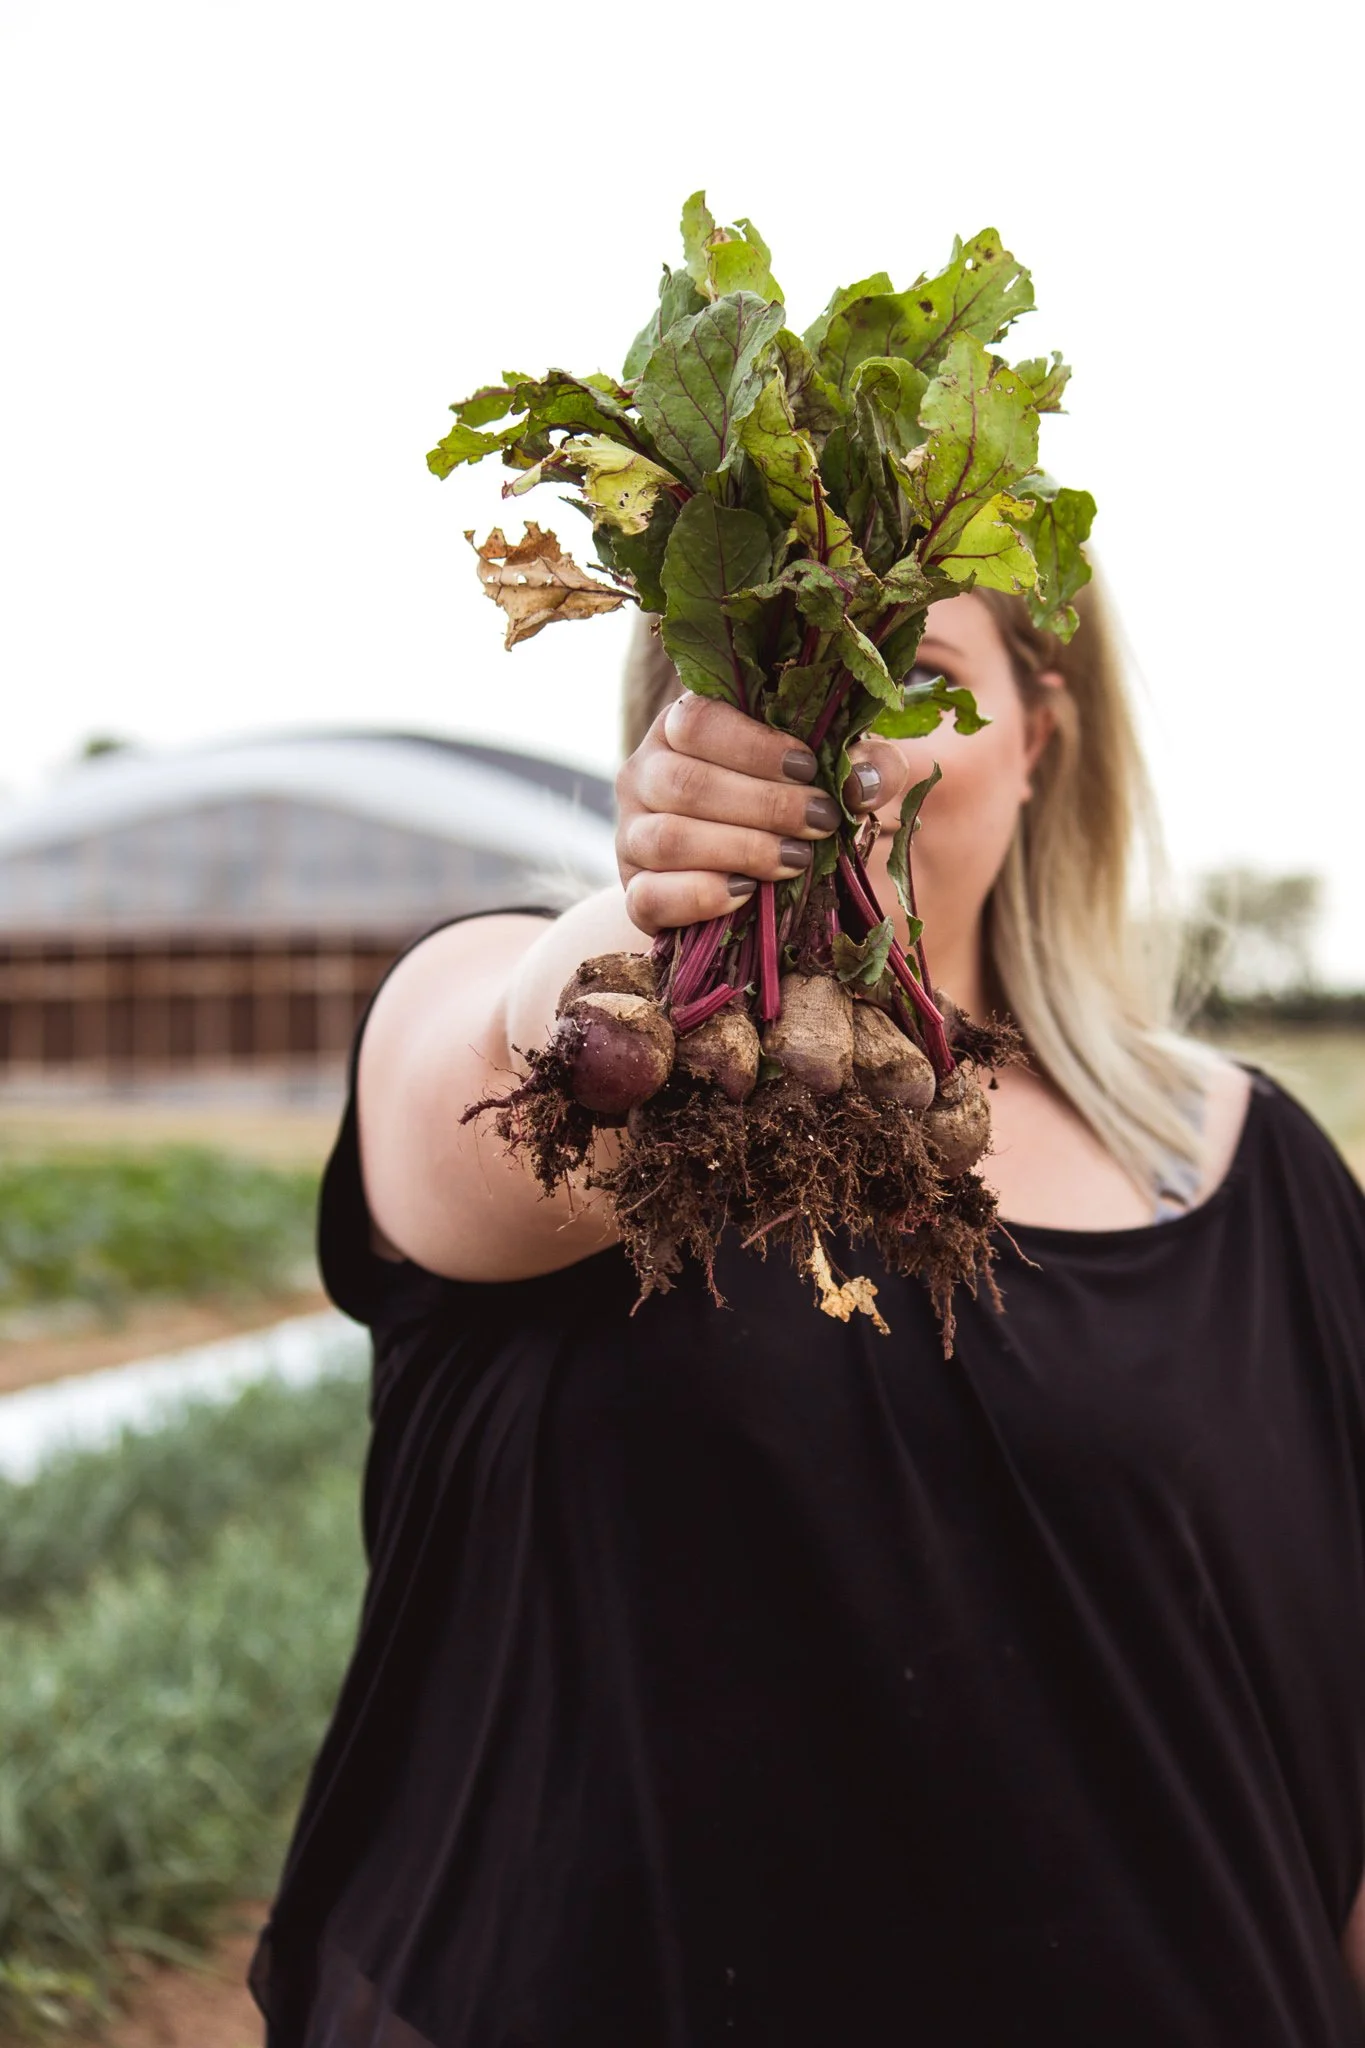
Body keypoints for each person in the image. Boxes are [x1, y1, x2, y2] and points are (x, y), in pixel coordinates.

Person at [247, 580, 1365, 2047]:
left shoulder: (1259, 1171)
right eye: (771, 681)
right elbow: (486, 1087)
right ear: (673, 731)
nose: (842, 744)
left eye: (922, 680)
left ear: (1041, 739)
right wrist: (665, 945)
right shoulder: (522, 1011)